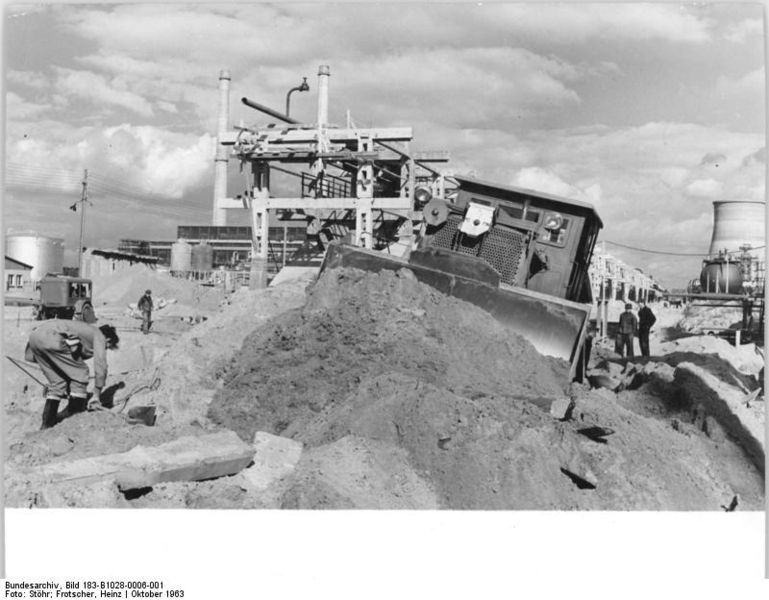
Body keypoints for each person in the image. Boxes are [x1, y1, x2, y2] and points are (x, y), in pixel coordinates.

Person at [25, 320, 119, 429]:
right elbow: (100, 365)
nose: (105, 349)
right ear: (108, 339)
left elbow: (70, 365)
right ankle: (74, 421)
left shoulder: (83, 330)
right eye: (107, 346)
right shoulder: (99, 335)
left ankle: (47, 424)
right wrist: (97, 394)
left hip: (35, 338)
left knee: (57, 382)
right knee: (81, 371)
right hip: (52, 338)